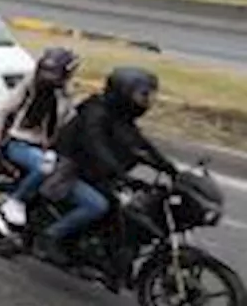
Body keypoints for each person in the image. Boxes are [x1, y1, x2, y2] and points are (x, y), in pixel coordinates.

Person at [36, 66, 178, 266]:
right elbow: (96, 146)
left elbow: (139, 143)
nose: (146, 101)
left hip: (92, 171)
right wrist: (120, 173)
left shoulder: (120, 115)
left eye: (148, 95)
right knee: (97, 205)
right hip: (68, 169)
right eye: (142, 95)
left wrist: (168, 167)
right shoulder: (95, 113)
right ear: (124, 92)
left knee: (124, 207)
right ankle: (49, 237)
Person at [0, 46, 80, 227]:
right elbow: (2, 110)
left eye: (54, 73)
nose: (49, 77)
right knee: (46, 167)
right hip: (20, 143)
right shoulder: (30, 86)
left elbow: (71, 120)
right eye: (46, 72)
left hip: (48, 146)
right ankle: (15, 201)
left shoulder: (66, 93)